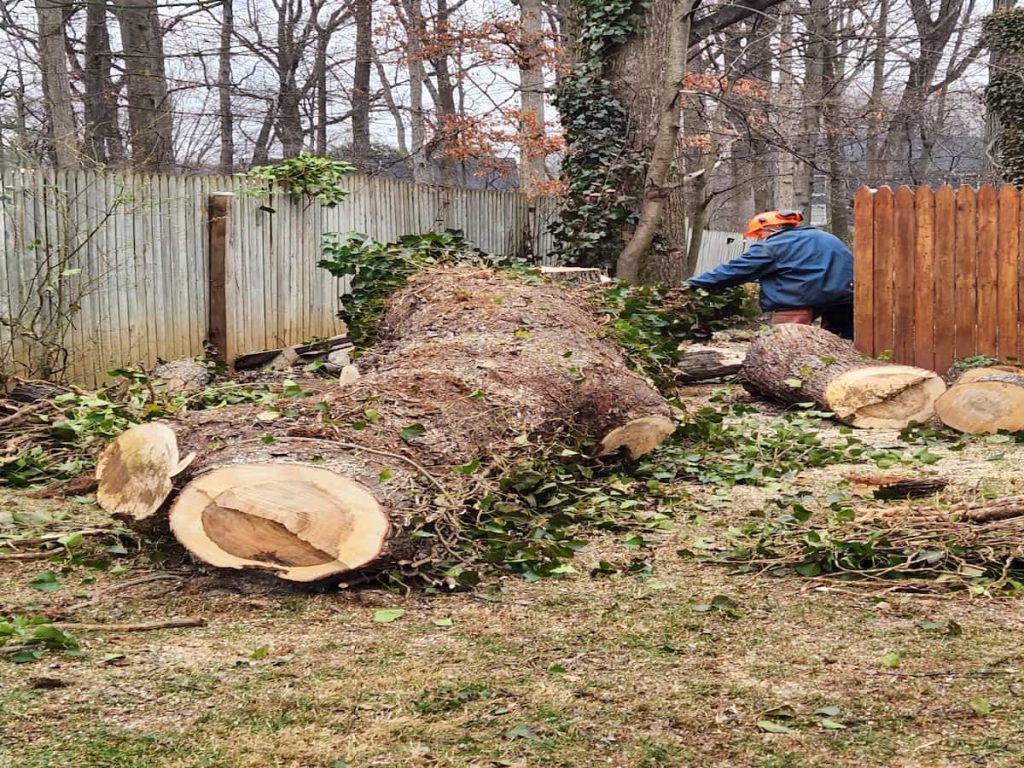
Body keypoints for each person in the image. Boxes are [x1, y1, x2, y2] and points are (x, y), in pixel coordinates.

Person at [686, 210, 855, 339]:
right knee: (837, 343)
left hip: (798, 299)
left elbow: (736, 270)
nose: (759, 239)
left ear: (770, 228)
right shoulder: (827, 237)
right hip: (845, 298)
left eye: (759, 234)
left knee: (785, 344)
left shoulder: (773, 246)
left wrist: (696, 283)